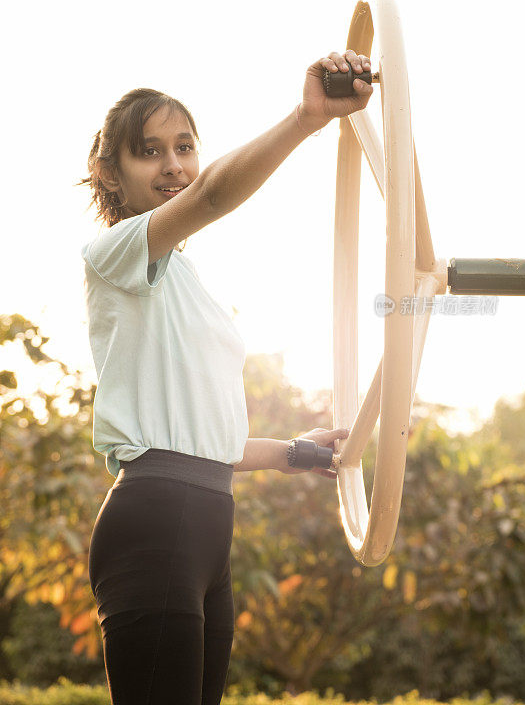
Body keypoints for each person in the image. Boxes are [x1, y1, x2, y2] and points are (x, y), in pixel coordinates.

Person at [78, 49, 373, 705]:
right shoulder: (116, 251)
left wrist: (296, 452)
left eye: (183, 147)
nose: (173, 165)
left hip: (206, 524)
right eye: (148, 151)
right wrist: (307, 118)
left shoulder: (184, 282)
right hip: (155, 522)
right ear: (109, 172)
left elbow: (204, 439)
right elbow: (212, 194)